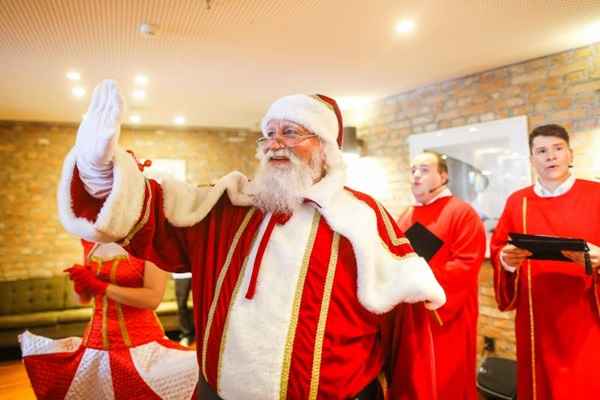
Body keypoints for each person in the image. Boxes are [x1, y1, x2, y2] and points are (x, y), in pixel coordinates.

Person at [57, 80, 446, 399]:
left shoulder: (363, 220)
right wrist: (99, 172)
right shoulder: (229, 208)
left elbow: (407, 338)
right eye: (269, 133)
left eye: (291, 132)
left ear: (325, 148)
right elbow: (150, 217)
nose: (275, 143)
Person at [490, 124, 600, 400]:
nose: (550, 156)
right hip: (536, 317)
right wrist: (507, 261)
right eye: (541, 151)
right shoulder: (518, 202)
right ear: (532, 160)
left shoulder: (596, 195)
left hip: (587, 314)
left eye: (557, 148)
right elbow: (500, 248)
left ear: (570, 154)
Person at [19, 240, 198, 400]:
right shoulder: (91, 243)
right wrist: (80, 283)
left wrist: (101, 286)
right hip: (95, 345)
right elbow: (83, 300)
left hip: (141, 342)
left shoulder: (150, 244)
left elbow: (152, 299)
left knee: (196, 371)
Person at [397, 151, 486, 400]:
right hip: (410, 316)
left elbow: (466, 266)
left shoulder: (462, 213)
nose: (416, 175)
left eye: (424, 170)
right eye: (413, 169)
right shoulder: (405, 215)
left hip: (446, 317)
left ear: (443, 176)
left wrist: (419, 281)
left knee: (446, 382)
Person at [173, 271, 195, 346]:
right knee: (181, 305)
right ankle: (187, 335)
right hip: (181, 275)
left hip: (200, 272)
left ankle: (204, 333)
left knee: (202, 304)